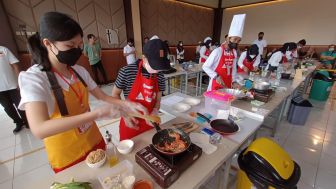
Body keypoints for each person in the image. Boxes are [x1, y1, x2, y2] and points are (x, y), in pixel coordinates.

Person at [18, 12, 146, 173]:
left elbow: (103, 96)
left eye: (79, 45)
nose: (77, 51)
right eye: (70, 46)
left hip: (94, 141)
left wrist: (128, 104)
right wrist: (96, 114)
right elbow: (39, 128)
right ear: (48, 44)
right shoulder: (34, 78)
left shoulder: (79, 71)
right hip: (67, 153)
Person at [112, 37, 170, 140]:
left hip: (150, 123)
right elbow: (115, 95)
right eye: (154, 65)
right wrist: (124, 114)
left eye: (159, 67)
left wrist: (155, 110)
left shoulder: (160, 75)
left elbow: (158, 99)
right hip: (130, 122)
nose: (157, 71)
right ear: (144, 58)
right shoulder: (126, 71)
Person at [203, 14, 246, 91]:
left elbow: (233, 70)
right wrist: (216, 76)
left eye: (239, 40)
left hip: (228, 84)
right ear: (228, 38)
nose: (236, 42)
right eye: (235, 39)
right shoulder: (218, 51)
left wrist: (234, 81)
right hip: (217, 84)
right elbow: (205, 66)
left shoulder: (234, 53)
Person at [0, 46, 28, 133]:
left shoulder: (3, 49)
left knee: (20, 104)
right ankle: (18, 122)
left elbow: (15, 65)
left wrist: (19, 80)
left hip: (13, 84)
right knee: (8, 108)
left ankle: (27, 121)